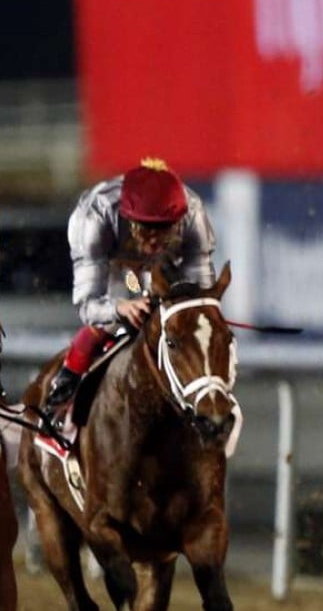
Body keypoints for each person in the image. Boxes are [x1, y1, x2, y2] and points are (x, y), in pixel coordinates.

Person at [41, 157, 217, 420]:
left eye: (164, 230)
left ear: (179, 221)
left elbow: (201, 297)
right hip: (115, 258)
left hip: (156, 263)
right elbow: (89, 306)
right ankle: (65, 385)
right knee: (113, 319)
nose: (154, 243)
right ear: (128, 219)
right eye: (146, 231)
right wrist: (120, 307)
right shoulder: (95, 218)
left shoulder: (193, 215)